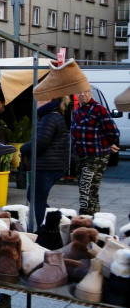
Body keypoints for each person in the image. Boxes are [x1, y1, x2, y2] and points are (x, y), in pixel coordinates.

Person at [21, 98, 70, 227]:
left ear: (48, 99)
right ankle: (53, 223)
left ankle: (49, 227)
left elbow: (41, 142)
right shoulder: (51, 116)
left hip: (48, 165)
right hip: (51, 164)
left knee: (37, 198)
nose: (36, 101)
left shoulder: (50, 117)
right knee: (35, 197)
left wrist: (24, 148)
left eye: (39, 99)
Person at [71, 89, 120, 215]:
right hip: (81, 155)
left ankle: (84, 219)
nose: (83, 94)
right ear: (76, 94)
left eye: (86, 92)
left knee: (85, 189)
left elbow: (113, 131)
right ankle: (95, 220)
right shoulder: (79, 110)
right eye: (80, 92)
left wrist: (107, 143)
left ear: (90, 93)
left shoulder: (99, 110)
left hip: (95, 156)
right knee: (90, 190)